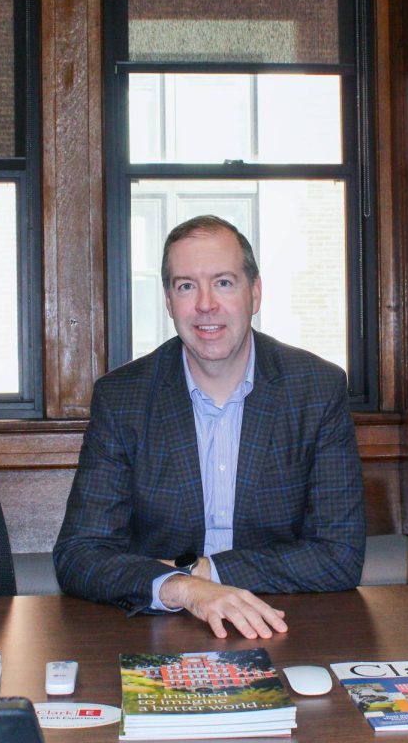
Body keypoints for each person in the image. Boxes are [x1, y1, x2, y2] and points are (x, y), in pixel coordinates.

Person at [53, 215, 365, 640]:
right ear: (168, 302)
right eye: (186, 286)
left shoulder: (316, 388)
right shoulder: (123, 397)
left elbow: (340, 555)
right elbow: (79, 554)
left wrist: (204, 572)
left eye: (223, 282)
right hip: (161, 624)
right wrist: (184, 589)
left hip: (281, 619)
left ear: (254, 293)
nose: (204, 305)